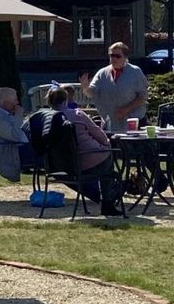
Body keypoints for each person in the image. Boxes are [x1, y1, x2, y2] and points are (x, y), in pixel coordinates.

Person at [45, 85, 124, 217]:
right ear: (66, 100)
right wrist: (106, 144)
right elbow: (99, 134)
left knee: (106, 164)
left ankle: (106, 194)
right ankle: (108, 203)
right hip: (88, 160)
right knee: (108, 158)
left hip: (61, 165)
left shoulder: (46, 119)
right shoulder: (77, 115)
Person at [84, 42, 150, 132]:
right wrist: (85, 87)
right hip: (110, 122)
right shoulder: (102, 73)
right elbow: (91, 93)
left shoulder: (135, 72)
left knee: (128, 146)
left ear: (125, 57)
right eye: (111, 55)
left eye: (117, 56)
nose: (113, 58)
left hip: (132, 121)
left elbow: (143, 96)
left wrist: (126, 109)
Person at [0, 86, 31, 180]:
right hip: (12, 154)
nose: (17, 103)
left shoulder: (2, 113)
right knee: (49, 153)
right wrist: (18, 115)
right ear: (5, 102)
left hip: (18, 148)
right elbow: (15, 136)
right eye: (15, 100)